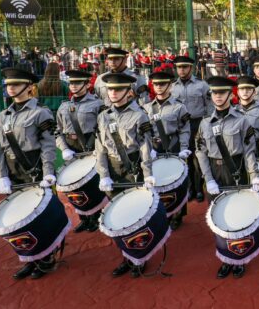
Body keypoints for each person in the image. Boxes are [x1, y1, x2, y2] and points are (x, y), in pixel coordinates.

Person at [0, 68, 62, 280]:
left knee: (39, 217)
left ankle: (46, 256)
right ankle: (30, 258)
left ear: (29, 87)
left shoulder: (41, 113)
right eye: (8, 85)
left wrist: (48, 172)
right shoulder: (3, 116)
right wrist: (1, 176)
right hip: (13, 172)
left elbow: (48, 146)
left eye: (15, 84)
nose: (10, 88)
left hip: (35, 168)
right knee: (18, 217)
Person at [195, 76, 259, 279]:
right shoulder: (204, 123)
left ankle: (241, 258)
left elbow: (250, 151)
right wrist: (209, 179)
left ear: (230, 95)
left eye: (222, 93)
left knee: (239, 215)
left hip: (237, 169)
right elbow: (200, 153)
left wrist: (254, 176)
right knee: (219, 217)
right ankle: (225, 258)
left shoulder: (243, 121)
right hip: (215, 173)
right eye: (214, 93)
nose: (217, 96)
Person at [94, 72, 157, 278]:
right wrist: (103, 174)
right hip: (113, 169)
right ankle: (126, 255)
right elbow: (100, 148)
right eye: (110, 89)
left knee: (136, 214)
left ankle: (140, 256)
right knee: (118, 215)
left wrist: (147, 174)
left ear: (128, 92)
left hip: (134, 168)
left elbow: (145, 147)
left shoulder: (139, 115)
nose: (113, 93)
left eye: (118, 89)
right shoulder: (103, 116)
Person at [55, 69, 105, 233]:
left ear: (87, 84)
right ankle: (84, 217)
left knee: (92, 184)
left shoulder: (97, 104)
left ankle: (96, 217)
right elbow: (57, 130)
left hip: (90, 146)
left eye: (77, 83)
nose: (73, 86)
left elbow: (102, 130)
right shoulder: (64, 106)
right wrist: (63, 149)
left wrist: (97, 147)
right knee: (74, 186)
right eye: (71, 83)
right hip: (71, 148)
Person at [144, 71, 192, 230]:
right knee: (159, 180)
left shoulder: (179, 106)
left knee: (176, 181)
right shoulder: (146, 108)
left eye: (162, 84)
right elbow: (144, 132)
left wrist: (184, 149)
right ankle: (162, 212)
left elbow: (185, 129)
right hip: (154, 148)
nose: (158, 87)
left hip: (174, 146)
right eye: (156, 84)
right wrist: (148, 148)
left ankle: (178, 214)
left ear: (170, 86)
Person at [170, 55, 210, 202]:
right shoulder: (172, 86)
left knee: (197, 158)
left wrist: (207, 123)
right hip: (179, 125)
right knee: (182, 157)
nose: (181, 70)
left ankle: (199, 189)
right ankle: (189, 188)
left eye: (184, 67)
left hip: (196, 123)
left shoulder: (201, 85)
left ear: (191, 68)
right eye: (179, 67)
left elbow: (209, 105)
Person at [234, 76, 259, 158]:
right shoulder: (233, 111)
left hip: (256, 152)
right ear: (238, 92)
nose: (245, 92)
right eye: (242, 89)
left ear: (254, 92)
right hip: (237, 153)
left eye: (249, 89)